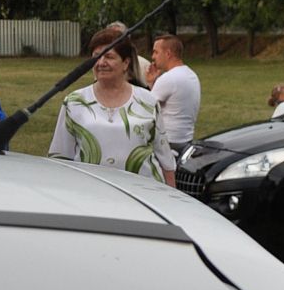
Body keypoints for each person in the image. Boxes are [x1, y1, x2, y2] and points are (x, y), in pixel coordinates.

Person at [47, 26, 173, 183]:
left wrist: (171, 195)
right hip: (90, 194)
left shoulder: (148, 101)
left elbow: (165, 158)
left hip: (144, 195)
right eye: (96, 57)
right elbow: (60, 157)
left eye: (109, 56)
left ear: (126, 63)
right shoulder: (74, 102)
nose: (101, 62)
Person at [148, 33, 201, 163]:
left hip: (167, 143)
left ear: (168, 53)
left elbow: (145, 108)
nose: (152, 57)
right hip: (185, 141)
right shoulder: (191, 75)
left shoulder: (169, 78)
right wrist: (151, 83)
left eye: (156, 52)